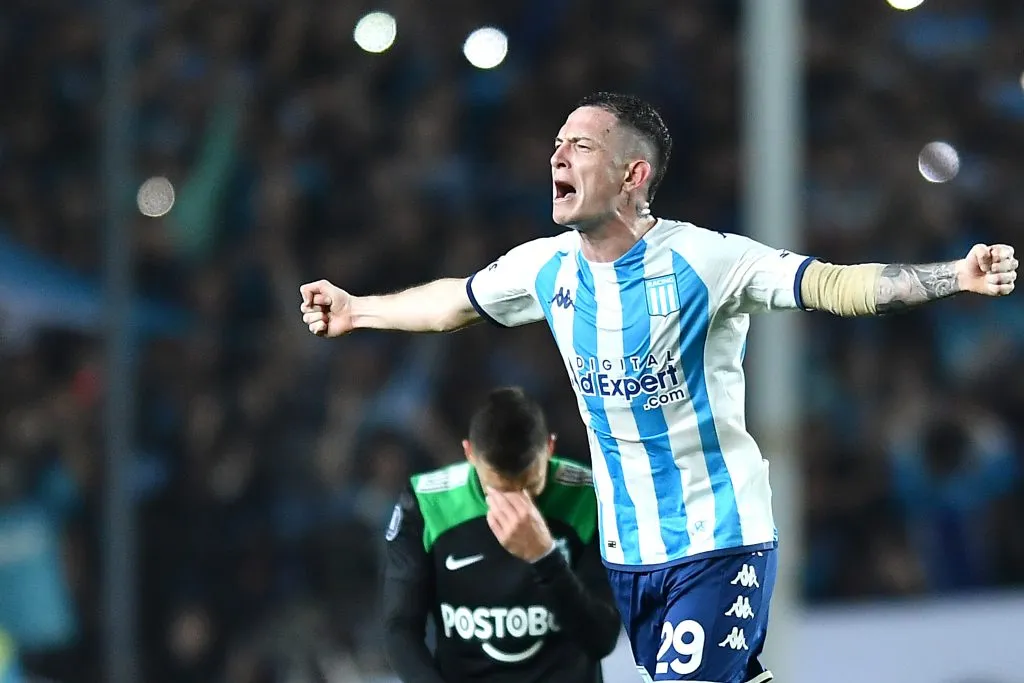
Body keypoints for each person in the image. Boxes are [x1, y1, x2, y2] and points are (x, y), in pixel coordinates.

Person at [301, 92, 1018, 682]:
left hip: (719, 535)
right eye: (556, 142)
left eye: (580, 145)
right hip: (631, 553)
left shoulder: (707, 260)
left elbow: (829, 284)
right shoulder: (545, 269)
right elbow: (455, 300)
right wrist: (358, 309)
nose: (557, 154)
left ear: (633, 175)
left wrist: (954, 275)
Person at [381, 386, 621, 683]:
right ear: (470, 453)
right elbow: (400, 629)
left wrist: (545, 557)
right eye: (497, 489)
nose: (517, 506)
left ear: (549, 448)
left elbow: (602, 638)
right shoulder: (426, 504)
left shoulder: (590, 498)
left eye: (530, 487)